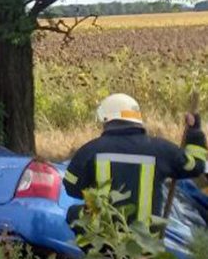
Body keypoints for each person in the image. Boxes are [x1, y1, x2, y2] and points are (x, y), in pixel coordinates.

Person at [63, 93, 207, 226]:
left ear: (107, 120)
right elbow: (197, 166)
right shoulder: (162, 149)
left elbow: (72, 188)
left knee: (74, 214)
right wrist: (194, 132)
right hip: (147, 241)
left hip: (106, 237)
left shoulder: (90, 150)